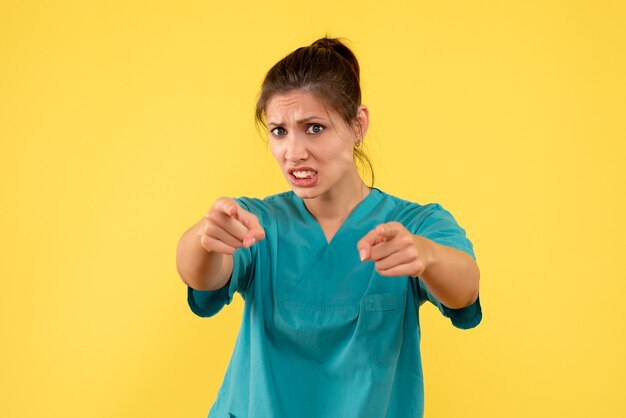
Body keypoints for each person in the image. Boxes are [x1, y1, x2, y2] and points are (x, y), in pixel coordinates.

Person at [176, 37, 481, 418]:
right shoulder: (258, 222)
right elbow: (202, 276)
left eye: (314, 128)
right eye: (279, 131)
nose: (293, 152)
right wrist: (207, 237)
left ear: (358, 125)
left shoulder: (414, 225)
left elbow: (465, 291)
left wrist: (426, 254)